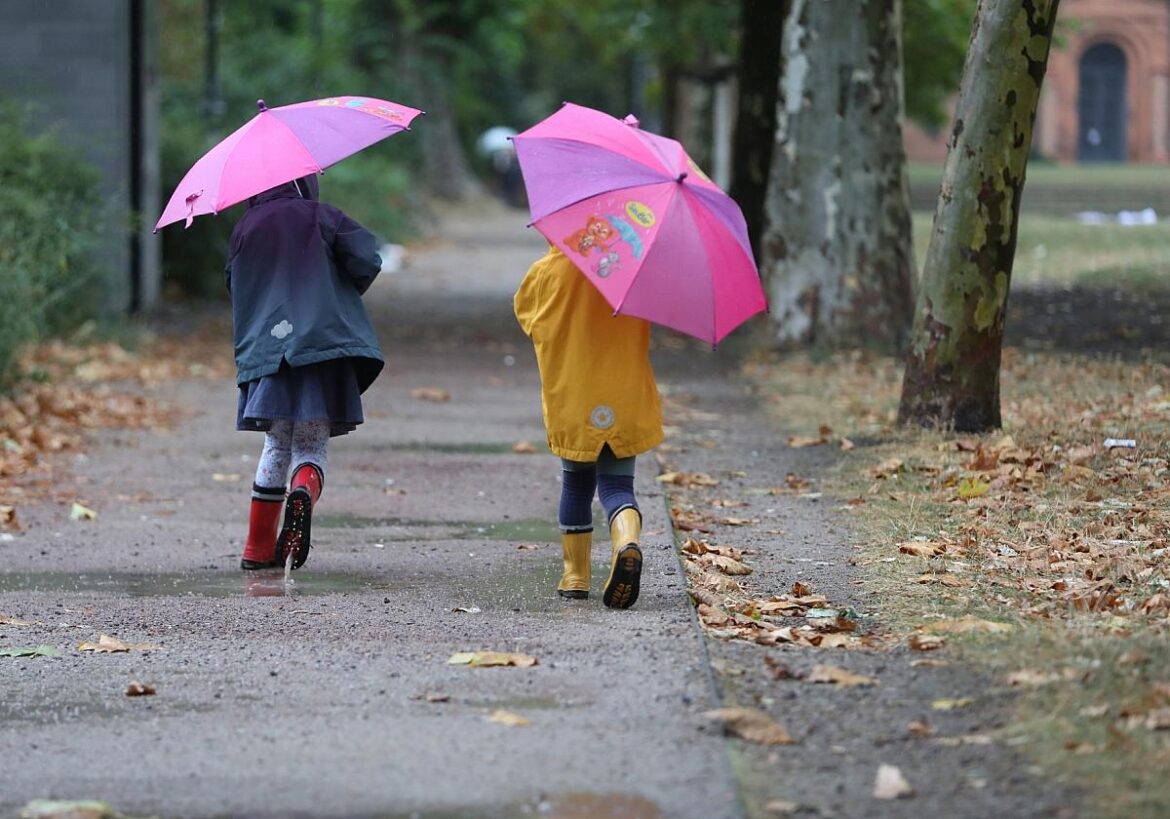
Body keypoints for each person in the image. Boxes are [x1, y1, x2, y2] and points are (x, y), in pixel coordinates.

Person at [226, 174, 384, 571]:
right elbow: (367, 259)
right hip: (322, 347)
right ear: (304, 181)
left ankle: (257, 548)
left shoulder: (246, 227)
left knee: (277, 444)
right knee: (310, 445)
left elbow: (235, 283)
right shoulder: (322, 217)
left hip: (271, 349)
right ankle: (303, 489)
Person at [513, 245, 664, 609]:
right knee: (616, 486)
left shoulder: (547, 270)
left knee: (577, 485)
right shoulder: (634, 269)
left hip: (574, 394)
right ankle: (627, 538)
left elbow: (527, 318)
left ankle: (575, 577)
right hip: (624, 392)